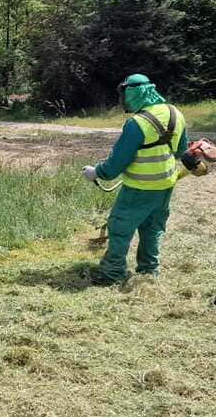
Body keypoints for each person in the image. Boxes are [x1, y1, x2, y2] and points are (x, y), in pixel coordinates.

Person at [82, 74, 203, 285]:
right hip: (165, 186)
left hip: (139, 188)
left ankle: (112, 274)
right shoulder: (175, 113)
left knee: (120, 229)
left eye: (125, 95)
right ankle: (149, 272)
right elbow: (180, 151)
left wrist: (96, 172)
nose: (124, 100)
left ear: (134, 94)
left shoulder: (136, 124)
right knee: (152, 230)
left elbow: (115, 165)